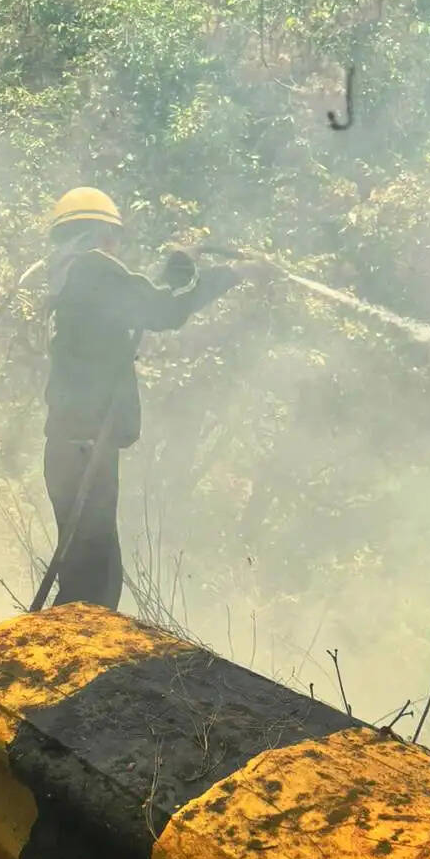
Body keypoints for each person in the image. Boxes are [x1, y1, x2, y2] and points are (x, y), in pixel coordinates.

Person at [42, 186, 268, 610]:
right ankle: (76, 667)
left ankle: (61, 659)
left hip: (72, 446)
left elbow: (142, 301)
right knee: (95, 581)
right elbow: (163, 311)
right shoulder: (92, 270)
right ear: (101, 235)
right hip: (85, 447)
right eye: (115, 236)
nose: (117, 246)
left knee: (87, 571)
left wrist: (180, 269)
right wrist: (234, 276)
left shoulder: (72, 277)